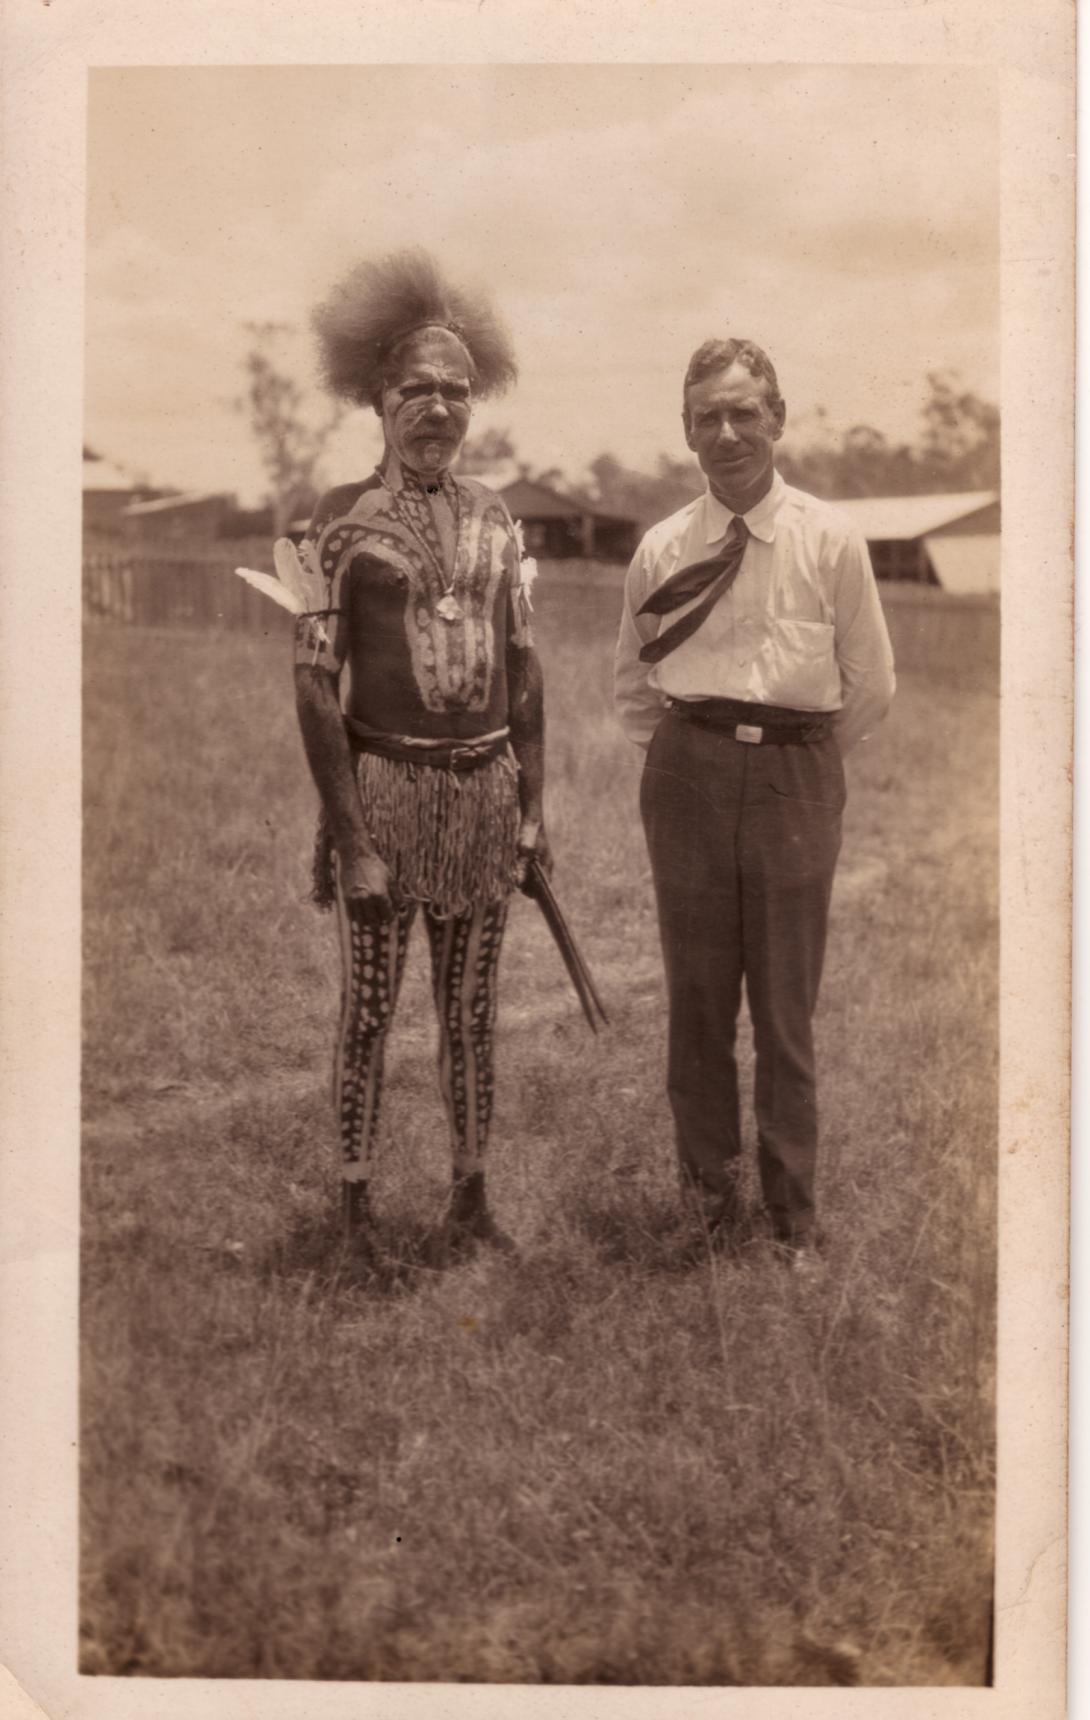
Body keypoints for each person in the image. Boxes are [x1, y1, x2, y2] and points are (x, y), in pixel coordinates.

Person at [614, 338, 895, 1270]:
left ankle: (792, 1221)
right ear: (686, 431)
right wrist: (696, 762)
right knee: (697, 1002)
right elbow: (632, 685)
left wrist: (792, 764)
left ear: (777, 417)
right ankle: (705, 1199)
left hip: (794, 778)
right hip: (688, 774)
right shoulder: (661, 547)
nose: (727, 433)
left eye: (744, 412)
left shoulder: (830, 538)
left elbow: (872, 684)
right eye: (707, 417)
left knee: (784, 1008)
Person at [294, 249, 549, 1265]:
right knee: (367, 1011)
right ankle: (353, 1214)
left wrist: (534, 809)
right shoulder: (339, 522)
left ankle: (470, 1200)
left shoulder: (495, 516)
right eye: (417, 390)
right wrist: (351, 839)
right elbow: (315, 686)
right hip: (386, 793)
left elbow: (526, 667)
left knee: (471, 1013)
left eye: (456, 390)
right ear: (377, 399)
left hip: (484, 794)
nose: (439, 407)